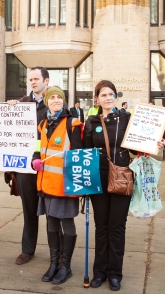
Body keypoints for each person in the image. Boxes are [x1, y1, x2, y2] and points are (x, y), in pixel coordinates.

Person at [83, 80, 136, 291]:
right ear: (97, 98)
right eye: (103, 94)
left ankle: (115, 273)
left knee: (116, 227)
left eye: (111, 94)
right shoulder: (91, 121)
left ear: (115, 96)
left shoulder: (126, 118)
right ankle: (99, 272)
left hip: (122, 175)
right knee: (101, 226)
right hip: (98, 178)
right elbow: (86, 153)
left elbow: (143, 142)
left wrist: (156, 143)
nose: (108, 98)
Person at [32, 86, 83, 284]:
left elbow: (78, 154)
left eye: (58, 97)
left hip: (65, 185)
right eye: (51, 97)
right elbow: (38, 148)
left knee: (67, 225)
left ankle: (66, 267)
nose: (55, 100)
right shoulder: (43, 123)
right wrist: (34, 159)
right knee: (51, 224)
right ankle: (54, 263)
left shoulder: (72, 123)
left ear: (63, 101)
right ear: (46, 101)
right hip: (46, 184)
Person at [8, 66, 49, 265]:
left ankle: (56, 253)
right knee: (29, 209)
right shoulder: (23, 103)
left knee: (52, 212)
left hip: (48, 165)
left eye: (36, 79)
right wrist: (10, 109)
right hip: (25, 166)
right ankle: (27, 250)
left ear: (46, 81)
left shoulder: (54, 103)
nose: (33, 82)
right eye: (30, 79)